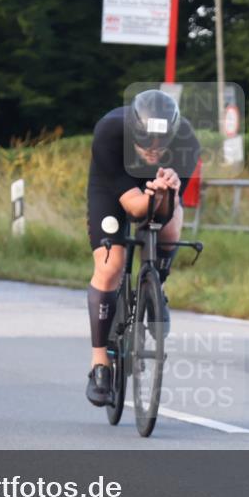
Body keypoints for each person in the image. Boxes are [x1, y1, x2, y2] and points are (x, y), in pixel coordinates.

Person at [84, 89, 200, 407]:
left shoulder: (187, 141)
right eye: (145, 142)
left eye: (161, 144)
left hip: (161, 187)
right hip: (113, 190)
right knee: (111, 265)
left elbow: (166, 212)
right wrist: (149, 196)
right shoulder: (109, 132)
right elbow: (134, 208)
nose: (153, 149)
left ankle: (155, 288)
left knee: (172, 224)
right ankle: (99, 365)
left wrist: (165, 193)